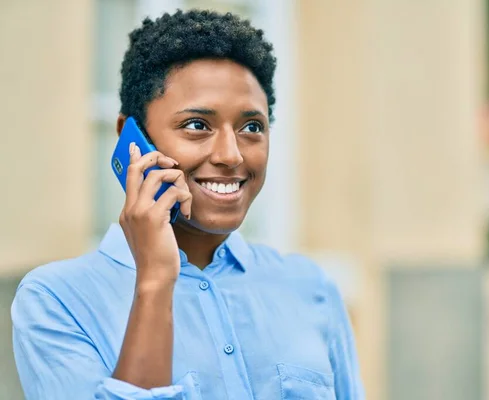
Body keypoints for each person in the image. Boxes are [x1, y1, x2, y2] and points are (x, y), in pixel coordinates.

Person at [11, 10, 364, 399]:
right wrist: (156, 280)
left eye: (252, 127)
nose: (231, 155)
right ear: (130, 138)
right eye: (197, 125)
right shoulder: (57, 300)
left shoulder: (310, 288)